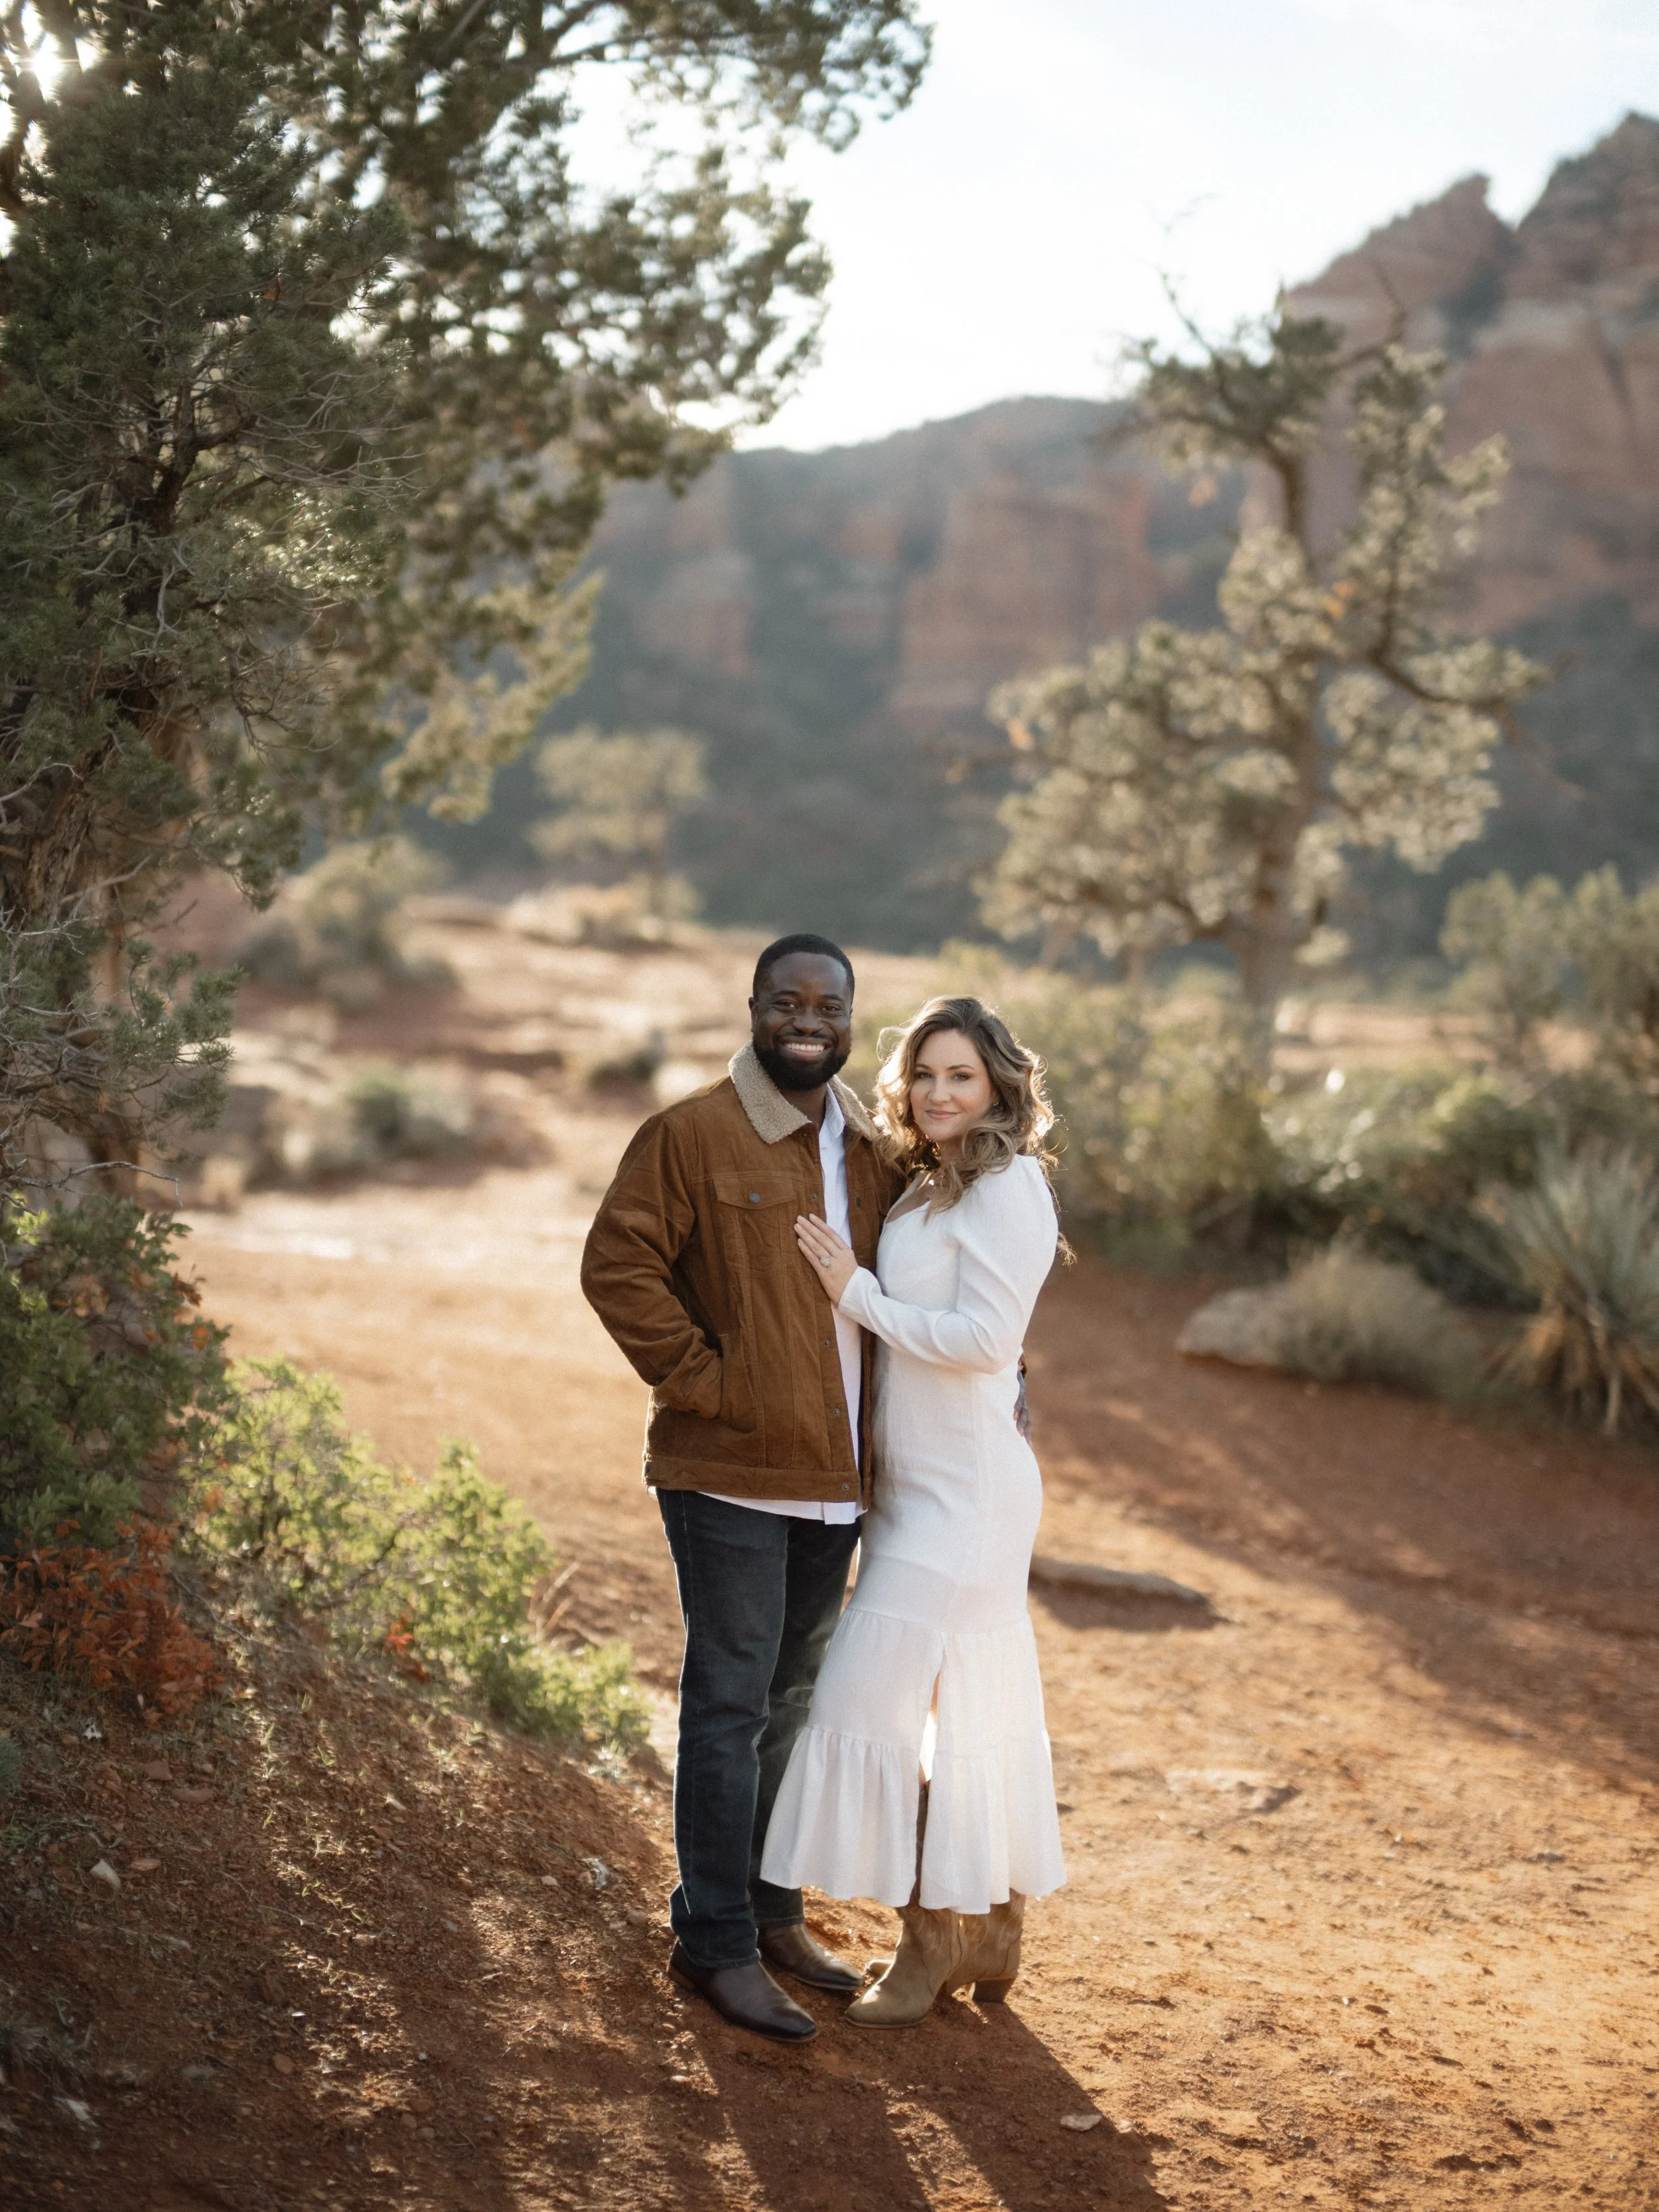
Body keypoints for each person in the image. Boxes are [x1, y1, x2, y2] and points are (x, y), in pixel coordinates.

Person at [580, 934, 904, 2043]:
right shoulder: (690, 1135)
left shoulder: (870, 1146)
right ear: (755, 1007)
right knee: (728, 1707)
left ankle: (771, 1913)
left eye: (829, 1004)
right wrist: (706, 1380)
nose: (807, 1018)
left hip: (836, 1479)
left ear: (852, 1020)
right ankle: (710, 1941)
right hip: (726, 1472)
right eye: (787, 1000)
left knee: (790, 1705)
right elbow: (616, 1263)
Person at [761, 994, 1066, 2024]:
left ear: (998, 1088)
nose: (940, 1093)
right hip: (909, 1490)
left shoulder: (1010, 1186)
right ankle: (997, 1920)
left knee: (863, 1705)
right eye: (926, 1075)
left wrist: (855, 1292)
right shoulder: (929, 1187)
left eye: (961, 1077)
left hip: (969, 1498)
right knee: (948, 1714)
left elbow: (983, 1341)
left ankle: (934, 1939)